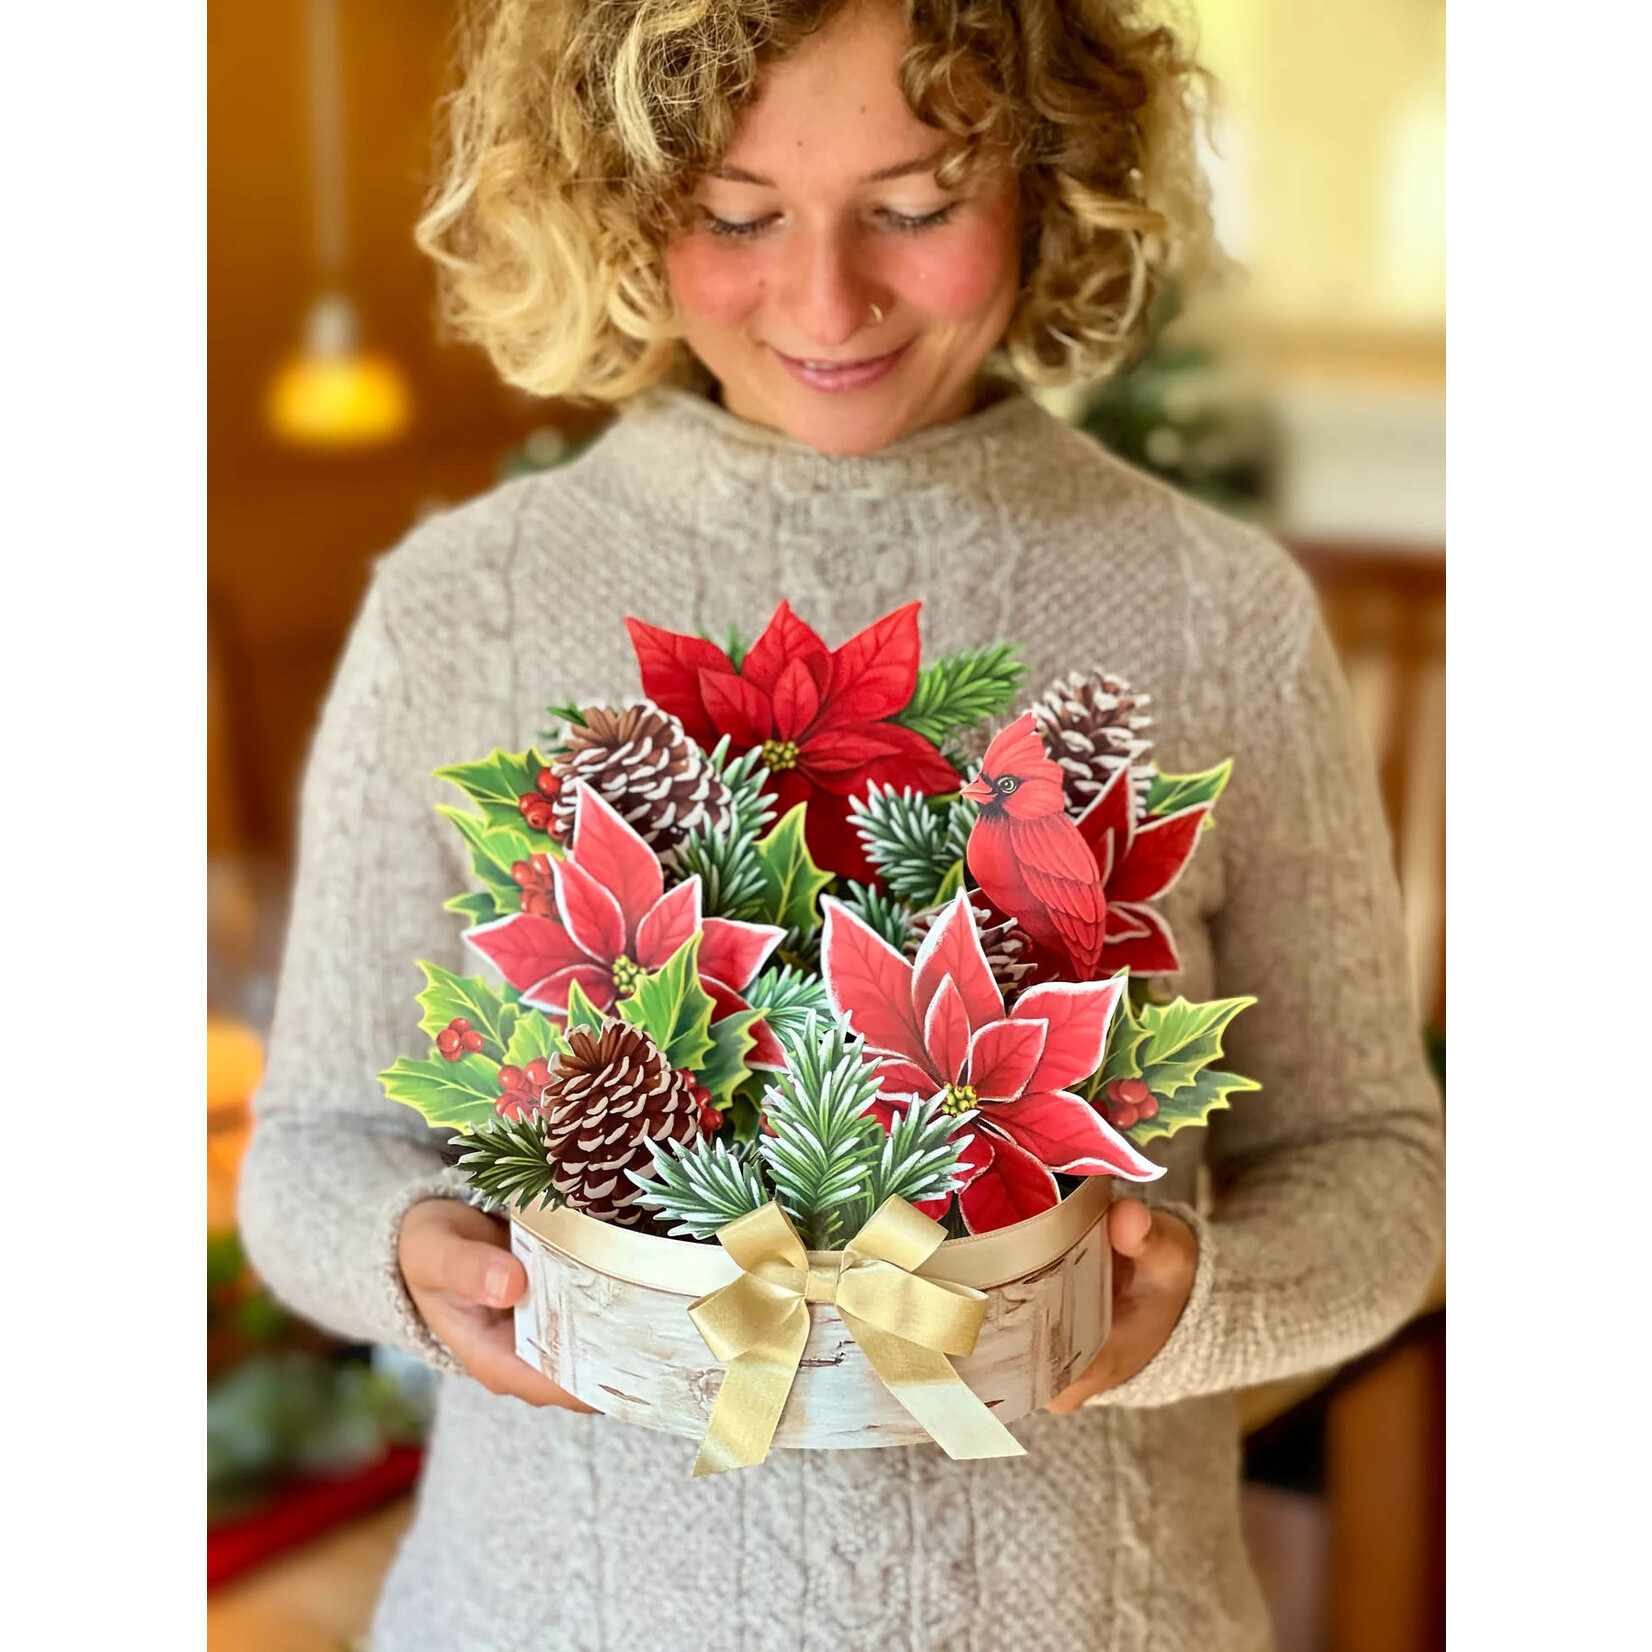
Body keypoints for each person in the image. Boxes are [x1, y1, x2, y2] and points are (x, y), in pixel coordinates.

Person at [239, 0, 1445, 1646]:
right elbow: (306, 1151)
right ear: (622, 198)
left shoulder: (1213, 609)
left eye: (919, 202)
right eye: (737, 217)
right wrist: (416, 1264)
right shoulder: (466, 608)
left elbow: (1380, 1170)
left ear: (1046, 172)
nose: (825, 300)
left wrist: (1190, 1307)